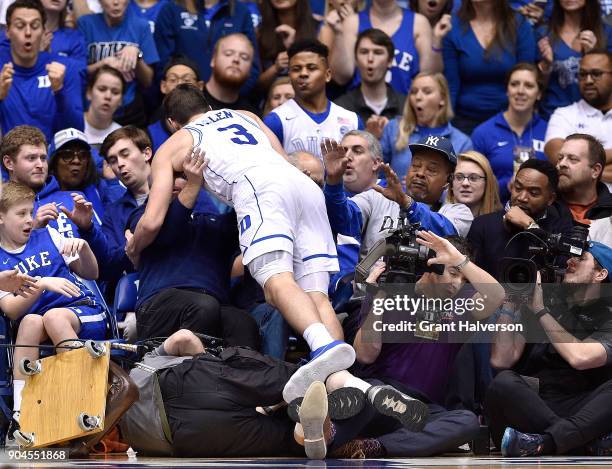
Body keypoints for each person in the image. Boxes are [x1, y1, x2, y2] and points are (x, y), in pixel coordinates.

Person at [126, 84, 426, 416]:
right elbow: (284, 161)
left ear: (172, 122)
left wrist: (136, 245)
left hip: (259, 189)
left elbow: (152, 222)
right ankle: (346, 380)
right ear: (208, 105)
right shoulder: (246, 115)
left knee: (276, 283)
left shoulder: (174, 143)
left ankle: (324, 348)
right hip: (302, 185)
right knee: (316, 295)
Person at [339, 231, 505, 458]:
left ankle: (373, 447)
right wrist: (377, 300)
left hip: (421, 409)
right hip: (380, 394)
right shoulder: (390, 291)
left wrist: (458, 260)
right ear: (431, 264)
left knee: (466, 422)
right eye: (454, 273)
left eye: (464, 279)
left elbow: (496, 295)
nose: (458, 284)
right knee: (360, 399)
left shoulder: (461, 308)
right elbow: (366, 355)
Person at [125, 129, 260, 345]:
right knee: (204, 306)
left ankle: (237, 376)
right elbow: (169, 232)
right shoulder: (142, 218)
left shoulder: (215, 222)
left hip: (212, 305)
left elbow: (247, 215)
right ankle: (182, 372)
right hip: (159, 305)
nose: (180, 182)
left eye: (184, 176)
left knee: (243, 323)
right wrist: (193, 185)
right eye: (175, 176)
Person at [0, 181, 107, 441]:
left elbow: (91, 273)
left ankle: (80, 402)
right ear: (1, 217)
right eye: (21, 213)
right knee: (30, 322)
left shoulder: (48, 235)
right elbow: (12, 310)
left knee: (53, 316)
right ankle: (21, 411)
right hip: (42, 324)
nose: (30, 219)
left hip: (82, 310)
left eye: (30, 211)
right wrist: (42, 284)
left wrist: (84, 248)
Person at [487, 241, 612, 456]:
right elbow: (501, 360)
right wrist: (511, 300)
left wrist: (540, 310)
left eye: (581, 259)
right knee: (504, 382)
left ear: (600, 274)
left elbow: (580, 358)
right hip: (533, 406)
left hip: (580, 406)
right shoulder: (547, 301)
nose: (570, 261)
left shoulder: (607, 316)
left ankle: (545, 442)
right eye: (570, 257)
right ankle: (577, 440)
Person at [324, 135, 473, 267]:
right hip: (370, 294)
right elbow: (342, 219)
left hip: (425, 297)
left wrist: (405, 202)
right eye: (416, 166)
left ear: (448, 180)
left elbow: (446, 235)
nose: (420, 173)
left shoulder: (458, 213)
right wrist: (333, 182)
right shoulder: (377, 197)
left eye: (432, 170)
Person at [64, 126, 151, 284]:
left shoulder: (178, 189)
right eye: (113, 161)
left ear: (146, 153)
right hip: (142, 290)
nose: (120, 164)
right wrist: (88, 228)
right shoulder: (114, 211)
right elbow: (107, 266)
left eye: (125, 154)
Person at [467, 158, 574, 279]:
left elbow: (562, 272)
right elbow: (469, 277)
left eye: (533, 193)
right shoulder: (483, 225)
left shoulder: (560, 227)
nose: (522, 198)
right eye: (517, 188)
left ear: (550, 199)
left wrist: (531, 226)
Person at [442, 0, 536, 134]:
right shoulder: (453, 26)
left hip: (509, 121)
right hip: (465, 121)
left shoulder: (519, 24)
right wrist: (447, 128)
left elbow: (527, 77)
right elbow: (451, 86)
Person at [263, 39, 362, 160]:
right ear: (289, 76)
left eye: (311, 68)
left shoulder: (352, 120)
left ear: (327, 75)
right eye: (296, 69)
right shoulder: (276, 120)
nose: (303, 73)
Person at [0, 0, 84, 142]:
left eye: (35, 26)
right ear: (7, 31)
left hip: (49, 158)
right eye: (20, 26)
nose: (28, 33)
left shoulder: (64, 68)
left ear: (44, 31)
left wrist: (59, 92)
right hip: (6, 159)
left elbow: (76, 131)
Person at [1, 125, 101, 239]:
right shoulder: (2, 206)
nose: (40, 165)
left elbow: (106, 255)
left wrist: (88, 229)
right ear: (9, 163)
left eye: (43, 158)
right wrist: (34, 231)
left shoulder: (74, 199)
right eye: (31, 158)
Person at [328, 0, 446, 94]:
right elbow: (341, 77)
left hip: (404, 111)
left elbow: (430, 75)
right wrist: (339, 35)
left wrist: (436, 41)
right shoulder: (353, 22)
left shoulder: (418, 23)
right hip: (361, 109)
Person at [471, 63, 548, 203]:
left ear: (539, 94)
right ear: (507, 90)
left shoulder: (549, 132)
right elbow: (473, 184)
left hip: (540, 215)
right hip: (494, 211)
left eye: (529, 86)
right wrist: (506, 185)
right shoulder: (483, 133)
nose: (520, 91)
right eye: (514, 84)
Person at [78, 0, 159, 126]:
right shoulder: (86, 23)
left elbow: (148, 80)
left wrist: (137, 55)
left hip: (129, 108)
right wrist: (104, 64)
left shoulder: (141, 26)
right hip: (93, 107)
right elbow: (78, 70)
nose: (116, 2)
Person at [380, 72, 471, 184]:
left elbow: (460, 186)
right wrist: (397, 188)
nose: (418, 97)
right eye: (413, 92)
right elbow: (377, 174)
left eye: (427, 92)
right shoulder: (393, 128)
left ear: (442, 99)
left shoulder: (462, 142)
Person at [153, 0, 258, 93]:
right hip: (183, 100)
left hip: (229, 101)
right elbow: (162, 65)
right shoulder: (172, 8)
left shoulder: (241, 12)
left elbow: (252, 66)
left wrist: (231, 95)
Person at [544, 50, 612, 183]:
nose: (588, 80)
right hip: (578, 202)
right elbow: (558, 159)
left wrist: (582, 168)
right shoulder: (564, 115)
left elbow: (570, 167)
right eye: (582, 74)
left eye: (596, 74)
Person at [536, 0, 612, 119]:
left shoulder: (606, 33)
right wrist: (546, 65)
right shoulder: (543, 33)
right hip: (552, 116)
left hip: (595, 117)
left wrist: (594, 54)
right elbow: (534, 88)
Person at [334, 28, 406, 139]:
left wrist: (392, 134)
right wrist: (367, 138)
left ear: (390, 61)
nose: (370, 58)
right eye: (364, 52)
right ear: (356, 60)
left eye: (378, 52)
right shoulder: (341, 108)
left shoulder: (406, 107)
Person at [256, 0, 318, 93]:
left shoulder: (319, 27)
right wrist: (276, 68)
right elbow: (255, 86)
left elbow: (326, 75)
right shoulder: (259, 32)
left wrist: (295, 49)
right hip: (270, 100)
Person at [556, 133, 612, 231]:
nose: (561, 164)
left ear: (595, 170)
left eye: (573, 159)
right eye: (560, 158)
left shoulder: (610, 209)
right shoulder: (545, 205)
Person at [147, 56, 203, 153]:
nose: (180, 85)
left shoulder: (214, 123)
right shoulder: (150, 134)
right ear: (163, 86)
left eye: (187, 80)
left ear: (200, 86)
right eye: (173, 80)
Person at [49, 128, 105, 219]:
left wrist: (113, 183)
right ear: (54, 163)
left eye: (82, 155)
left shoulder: (100, 189)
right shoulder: (41, 197)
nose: (76, 161)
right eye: (67, 155)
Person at [202, 33, 260, 115]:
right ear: (213, 59)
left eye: (244, 57)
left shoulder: (251, 117)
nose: (236, 59)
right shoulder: (190, 102)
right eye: (228, 54)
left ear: (250, 69)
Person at [445, 150, 502, 217]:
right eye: (459, 177)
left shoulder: (501, 222)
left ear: (487, 184)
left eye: (474, 178)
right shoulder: (439, 222)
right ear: (451, 184)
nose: (465, 183)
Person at [83, 65, 125, 150]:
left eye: (115, 92)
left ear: (121, 100)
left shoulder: (122, 136)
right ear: (89, 93)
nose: (108, 96)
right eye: (102, 89)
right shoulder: (71, 125)